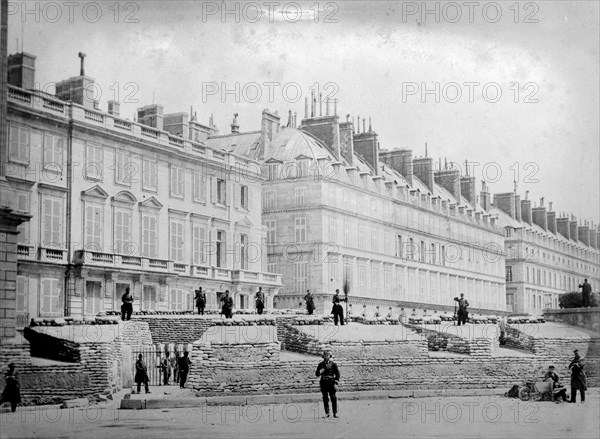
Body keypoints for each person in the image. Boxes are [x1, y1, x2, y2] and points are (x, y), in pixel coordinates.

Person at [315, 350, 340, 418]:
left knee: (333, 397)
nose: (326, 357)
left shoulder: (333, 364)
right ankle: (327, 413)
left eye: (328, 356)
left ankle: (335, 413)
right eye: (325, 356)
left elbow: (337, 374)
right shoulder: (320, 364)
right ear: (323, 357)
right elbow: (317, 374)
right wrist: (322, 370)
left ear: (330, 357)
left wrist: (335, 382)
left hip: (331, 382)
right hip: (323, 382)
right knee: (325, 398)